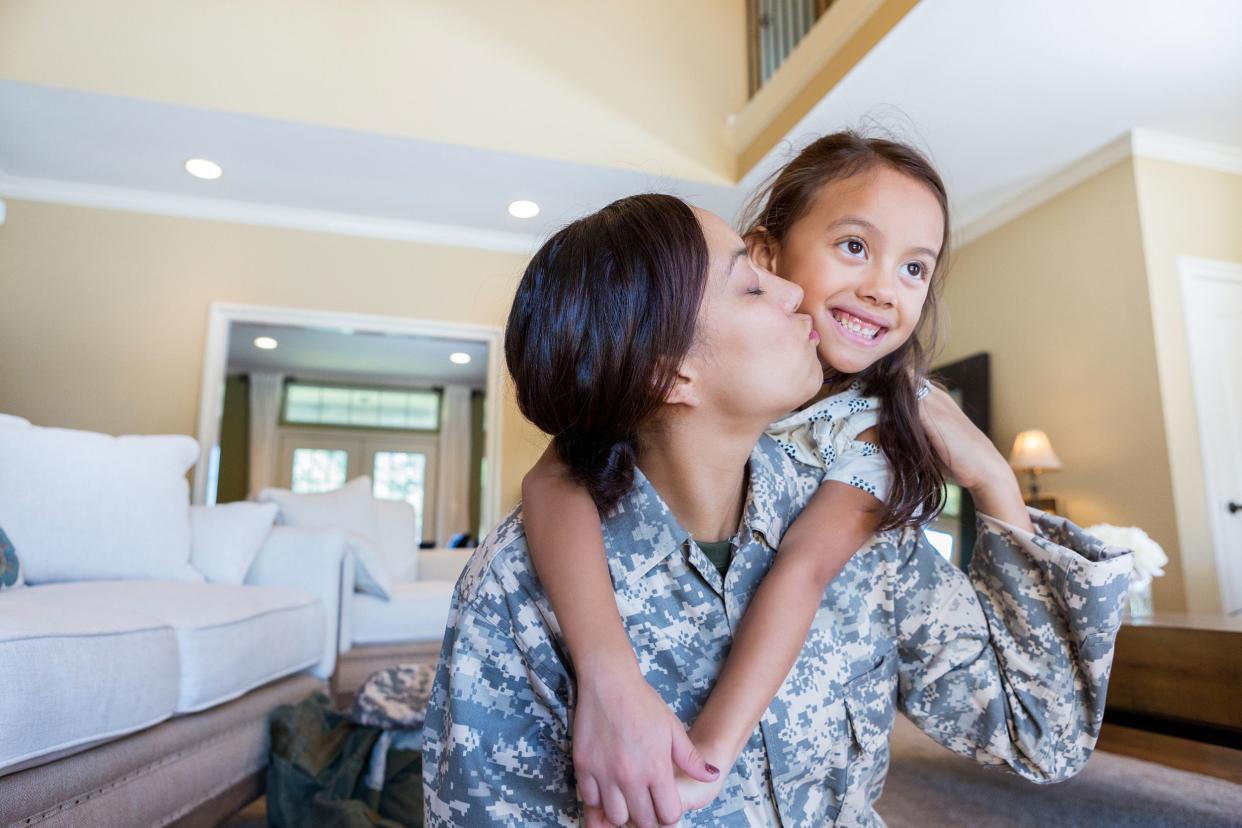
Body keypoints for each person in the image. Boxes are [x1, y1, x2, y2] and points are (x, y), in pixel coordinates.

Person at [421, 189, 1132, 827]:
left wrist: (996, 483)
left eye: (916, 267)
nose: (794, 293)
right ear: (667, 373)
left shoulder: (862, 524)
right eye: (752, 287)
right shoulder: (517, 589)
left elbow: (1044, 736)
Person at [521, 132, 965, 827]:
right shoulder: (702, 380)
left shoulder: (867, 431)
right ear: (766, 252)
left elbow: (804, 572)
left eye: (916, 269)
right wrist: (609, 674)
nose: (884, 288)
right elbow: (558, 474)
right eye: (855, 246)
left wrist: (706, 759)